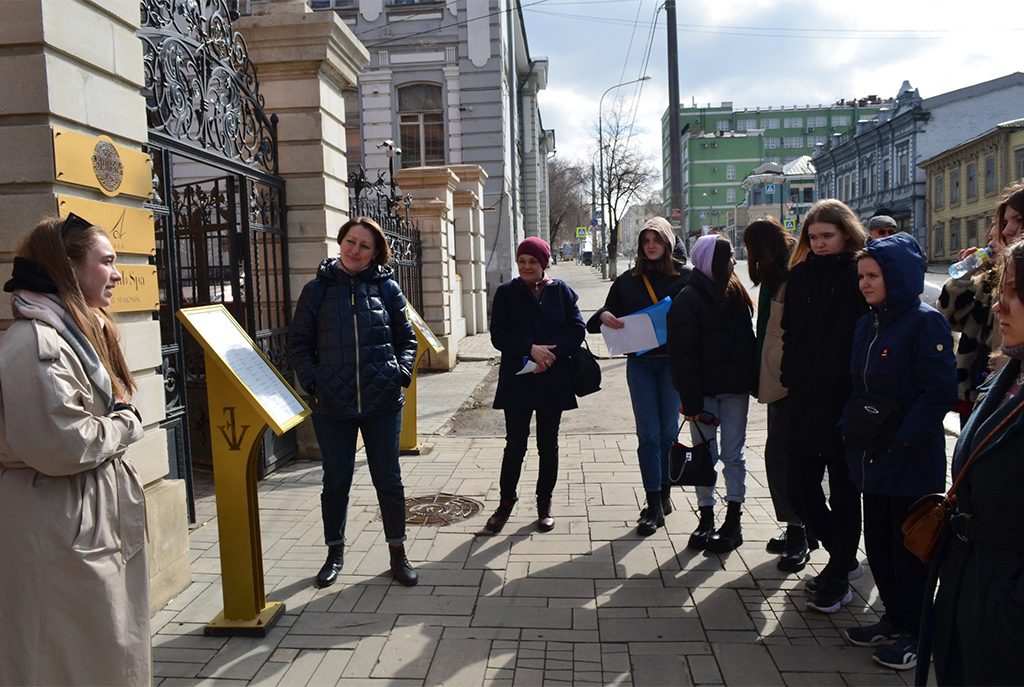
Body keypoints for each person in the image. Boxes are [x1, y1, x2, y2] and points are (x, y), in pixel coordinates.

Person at [0, 214, 148, 685]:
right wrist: (124, 423)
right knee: (67, 657)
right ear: (68, 267)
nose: (119, 273)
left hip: (79, 514)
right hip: (60, 517)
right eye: (107, 261)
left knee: (100, 649)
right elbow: (61, 442)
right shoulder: (36, 341)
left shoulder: (73, 333)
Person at [839, 234, 956, 671]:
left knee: (910, 551)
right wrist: (849, 429)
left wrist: (902, 440)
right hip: (872, 458)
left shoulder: (926, 323)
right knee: (881, 544)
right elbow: (859, 387)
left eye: (873, 276)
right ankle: (894, 617)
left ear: (900, 277)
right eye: (861, 277)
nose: (864, 284)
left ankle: (917, 632)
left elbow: (937, 393)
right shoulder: (866, 323)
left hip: (909, 459)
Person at [289, 216, 419, 588]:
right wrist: (314, 382)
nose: (355, 251)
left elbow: (406, 338)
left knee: (388, 480)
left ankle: (398, 551)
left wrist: (400, 373)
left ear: (375, 252)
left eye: (364, 245)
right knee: (335, 481)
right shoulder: (316, 291)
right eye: (350, 241)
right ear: (340, 242)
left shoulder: (388, 289)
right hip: (332, 404)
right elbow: (298, 343)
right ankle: (334, 551)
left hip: (382, 402)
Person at [929, 239, 1024, 685]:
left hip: (1004, 602)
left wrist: (1010, 606)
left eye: (1011, 293)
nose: (999, 305)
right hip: (972, 581)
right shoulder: (1010, 372)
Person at [780, 198, 869, 613]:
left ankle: (837, 576)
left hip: (844, 400)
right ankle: (843, 557)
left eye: (827, 236)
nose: (818, 243)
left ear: (846, 233)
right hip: (802, 398)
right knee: (797, 485)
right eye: (813, 236)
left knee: (845, 490)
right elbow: (790, 333)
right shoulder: (799, 276)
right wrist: (789, 378)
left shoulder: (859, 274)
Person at [587, 217, 691, 535]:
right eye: (646, 240)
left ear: (669, 243)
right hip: (642, 367)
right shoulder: (628, 281)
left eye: (656, 239)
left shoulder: (686, 278)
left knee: (667, 434)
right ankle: (653, 503)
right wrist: (604, 314)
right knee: (647, 435)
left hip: (672, 365)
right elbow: (597, 320)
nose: (651, 245)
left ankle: (666, 494)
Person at [486, 237, 585, 534]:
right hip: (518, 380)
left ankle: (544, 503)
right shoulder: (506, 293)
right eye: (522, 261)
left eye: (533, 261)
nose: (527, 267)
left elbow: (577, 328)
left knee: (548, 445)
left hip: (552, 378)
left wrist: (550, 354)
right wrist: (531, 349)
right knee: (515, 444)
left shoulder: (561, 291)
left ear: (544, 263)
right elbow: (499, 335)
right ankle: (505, 502)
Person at [667, 234, 756, 553]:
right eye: (729, 255)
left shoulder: (736, 293)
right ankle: (706, 519)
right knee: (705, 458)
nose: (734, 260)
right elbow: (682, 356)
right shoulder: (687, 300)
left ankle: (733, 522)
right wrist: (690, 401)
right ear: (711, 261)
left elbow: (748, 344)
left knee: (734, 457)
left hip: (733, 393)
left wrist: (753, 381)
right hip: (702, 398)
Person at [742, 216, 814, 572]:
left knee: (785, 456)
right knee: (783, 453)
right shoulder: (781, 273)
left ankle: (799, 531)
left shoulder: (791, 274)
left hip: (792, 382)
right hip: (782, 379)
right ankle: (800, 527)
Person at [937, 184, 1024, 426]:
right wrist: (963, 278)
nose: (1006, 233)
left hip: (1007, 391)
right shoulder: (988, 280)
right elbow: (949, 319)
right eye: (997, 232)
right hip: (977, 389)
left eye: (1015, 221)